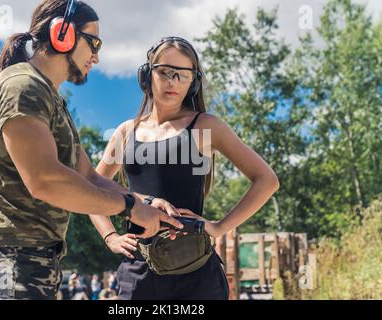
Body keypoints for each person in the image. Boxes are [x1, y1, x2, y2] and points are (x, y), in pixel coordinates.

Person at [0, 0, 182, 301]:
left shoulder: (49, 98)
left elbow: (88, 177)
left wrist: (145, 202)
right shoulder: (22, 88)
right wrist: (129, 208)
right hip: (9, 256)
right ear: (62, 33)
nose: (97, 56)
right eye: (94, 43)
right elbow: (44, 180)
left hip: (30, 256)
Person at [90, 37, 280, 299]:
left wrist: (218, 227)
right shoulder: (126, 132)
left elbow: (267, 180)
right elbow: (93, 188)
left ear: (194, 82)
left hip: (195, 274)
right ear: (147, 75)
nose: (173, 81)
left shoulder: (205, 126)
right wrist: (110, 236)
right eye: (165, 71)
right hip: (138, 272)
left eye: (183, 74)